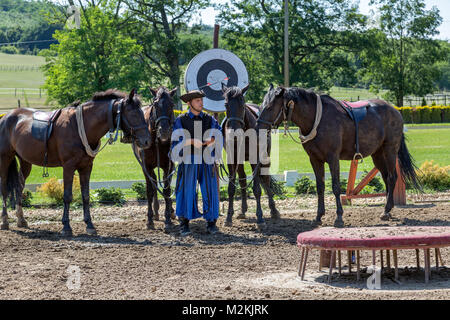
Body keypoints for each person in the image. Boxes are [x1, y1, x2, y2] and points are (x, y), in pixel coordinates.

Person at [170, 90, 223, 236]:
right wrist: (192, 141)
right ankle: (184, 223)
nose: (201, 103)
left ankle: (211, 223)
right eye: (198, 100)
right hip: (188, 161)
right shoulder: (181, 120)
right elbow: (176, 140)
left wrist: (212, 140)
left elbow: (218, 133)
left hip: (207, 160)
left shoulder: (209, 119)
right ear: (189, 103)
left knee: (210, 190)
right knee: (186, 191)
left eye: (201, 100)